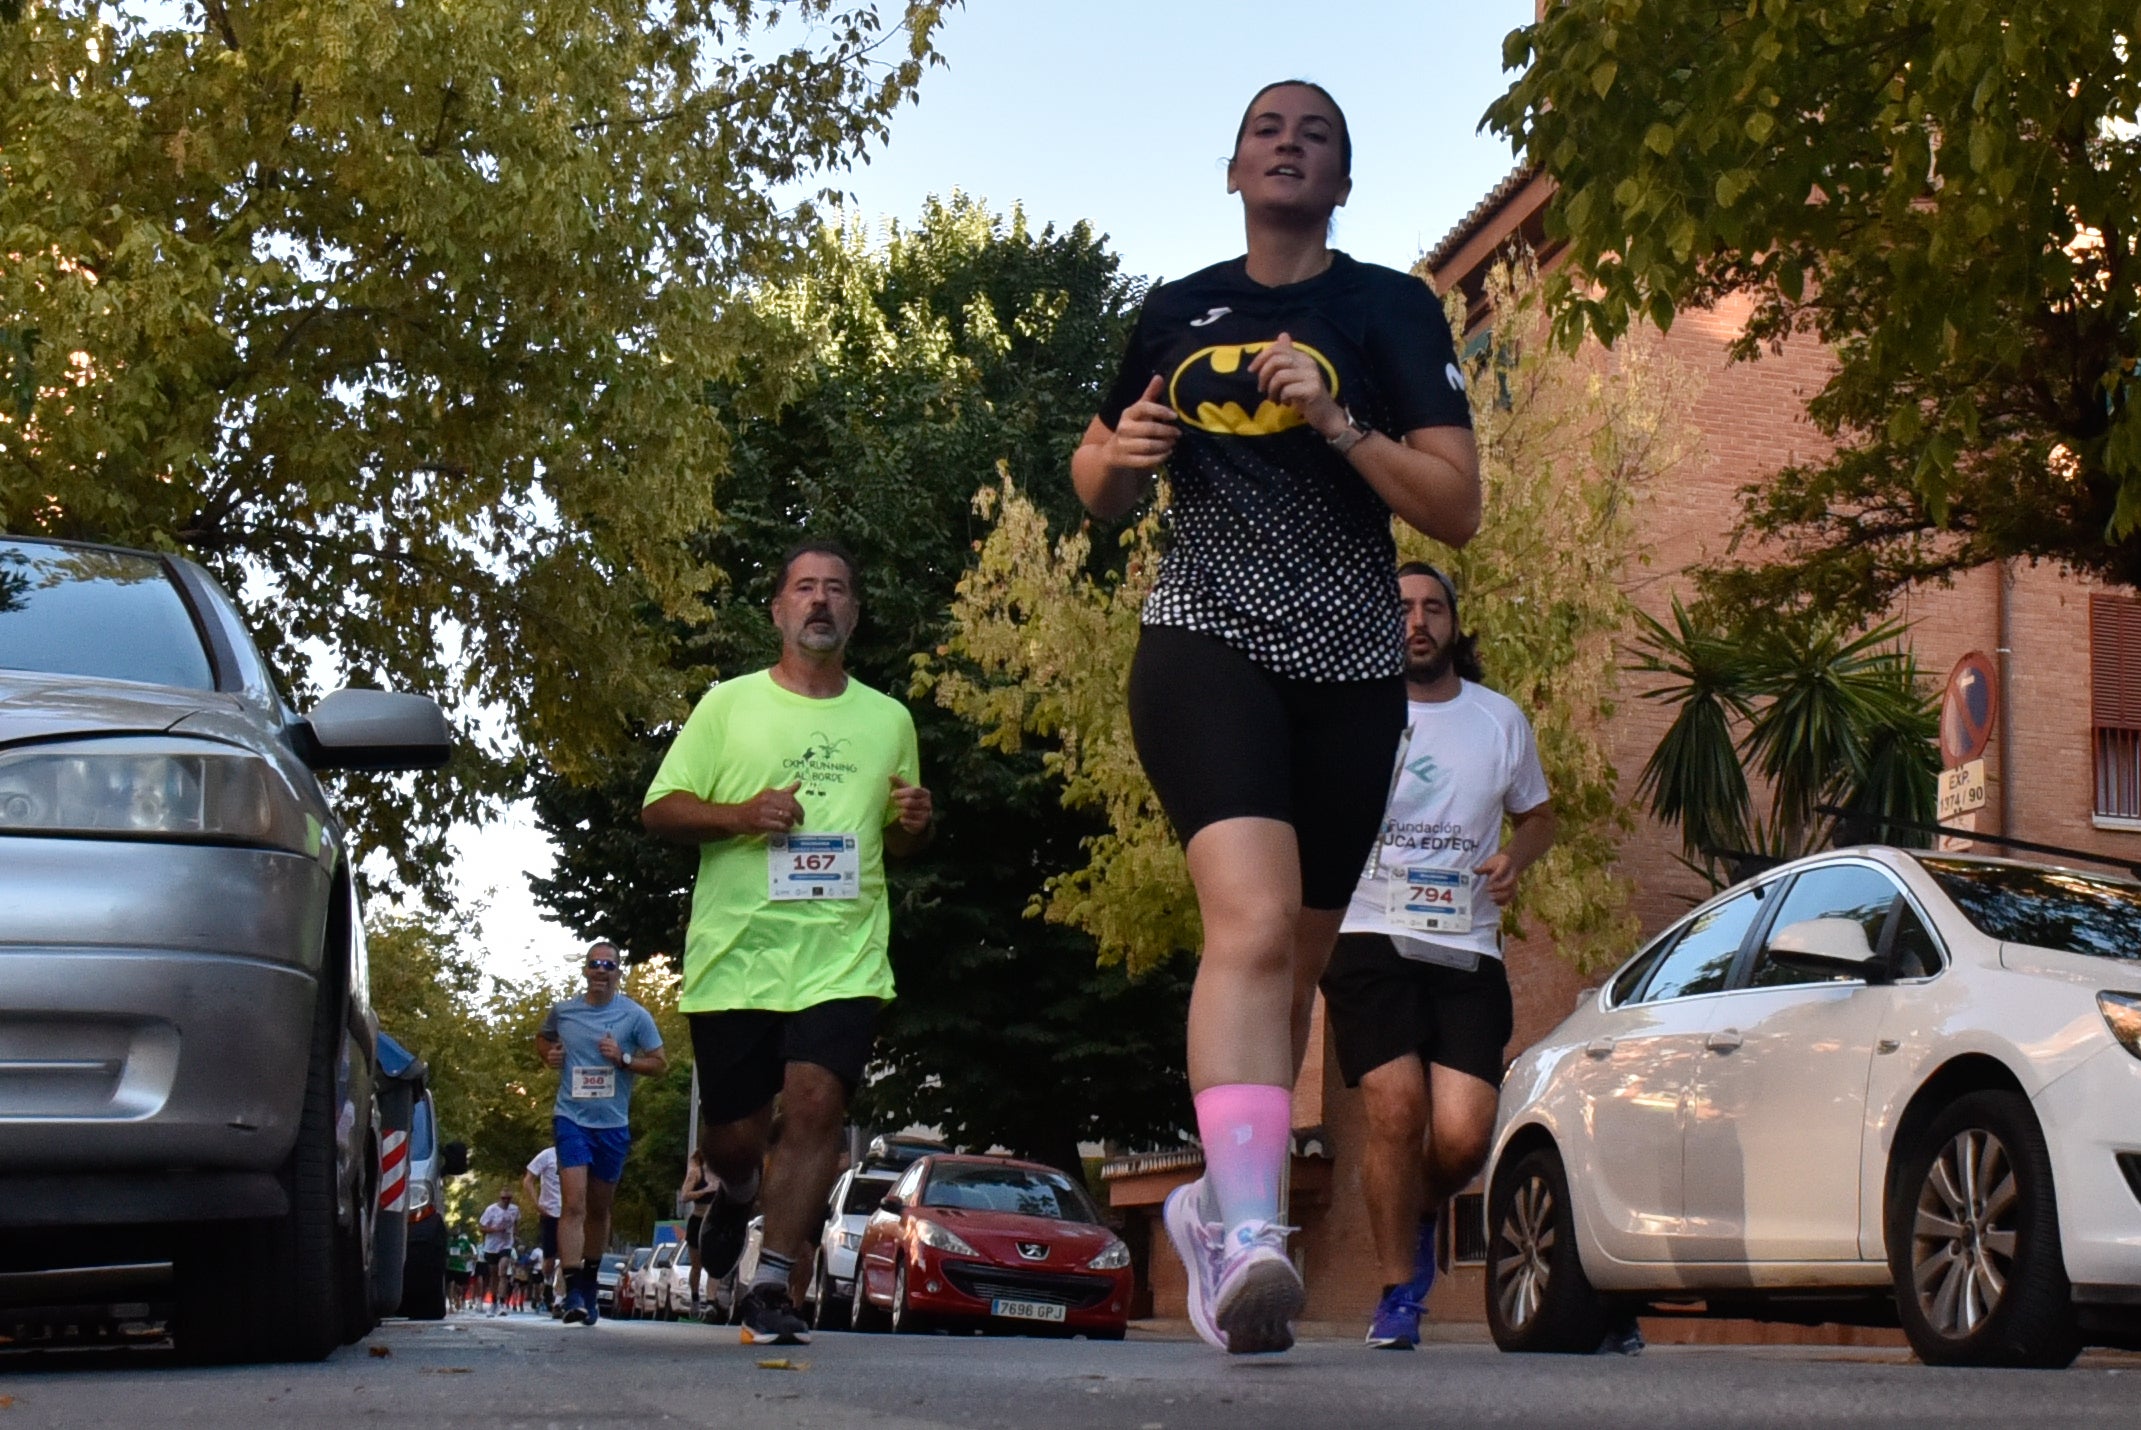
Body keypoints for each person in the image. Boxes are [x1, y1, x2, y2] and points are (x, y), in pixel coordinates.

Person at [1072, 80, 1480, 1356]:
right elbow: (1092, 483)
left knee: (1292, 963)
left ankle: (1207, 1199)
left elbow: (1454, 506)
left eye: (1314, 133)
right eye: (1266, 129)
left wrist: (1338, 419)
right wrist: (1123, 457)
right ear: (1234, 169)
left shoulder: (1388, 308)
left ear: (1343, 181)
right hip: (1206, 629)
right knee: (1245, 922)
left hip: (1349, 655)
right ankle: (1252, 1228)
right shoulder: (1171, 309)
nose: (1287, 143)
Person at [642, 540, 933, 1347]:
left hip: (842, 949)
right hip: (738, 951)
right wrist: (740, 815)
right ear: (777, 610)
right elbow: (659, 808)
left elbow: (897, 838)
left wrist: (914, 826)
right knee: (737, 1136)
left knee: (815, 1106)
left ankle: (773, 1284)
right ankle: (734, 1195)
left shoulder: (888, 719)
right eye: (804, 588)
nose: (820, 602)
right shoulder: (728, 706)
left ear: (854, 614)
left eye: (836, 590)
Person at [1321, 564, 1553, 1350]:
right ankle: (1396, 1294)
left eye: (1432, 609)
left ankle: (1418, 1211)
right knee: (1395, 1109)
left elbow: (1538, 817)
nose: (1417, 622)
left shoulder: (1498, 720)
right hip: (1366, 928)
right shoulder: (1349, 711)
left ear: (1454, 624)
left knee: (1461, 1136)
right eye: (1401, 610)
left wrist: (1517, 859)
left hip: (1465, 938)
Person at [536, 942, 669, 1325]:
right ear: (585, 970)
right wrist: (549, 1056)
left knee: (598, 1208)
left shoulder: (634, 1015)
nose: (600, 971)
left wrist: (623, 1059)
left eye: (608, 965)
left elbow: (660, 1063)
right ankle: (574, 1289)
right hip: (571, 1119)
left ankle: (590, 1286)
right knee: (573, 1203)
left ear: (617, 973)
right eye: (594, 964)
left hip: (612, 1125)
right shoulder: (565, 1011)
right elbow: (543, 1038)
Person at [678, 1150, 719, 1314]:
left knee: (714, 1264)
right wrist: (705, 1190)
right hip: (698, 1221)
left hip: (715, 1223)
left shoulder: (723, 1175)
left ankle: (711, 1302)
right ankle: (695, 1297)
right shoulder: (696, 1173)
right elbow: (684, 1196)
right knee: (697, 1266)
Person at [523, 1144, 563, 1311]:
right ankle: (547, 1281)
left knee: (568, 1257)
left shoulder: (578, 1153)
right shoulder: (547, 1155)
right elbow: (528, 1180)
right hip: (550, 1212)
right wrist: (537, 1204)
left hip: (570, 1214)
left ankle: (559, 1299)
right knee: (549, 1260)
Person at [477, 1187, 520, 1316]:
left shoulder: (515, 1209)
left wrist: (516, 1234)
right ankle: (493, 1302)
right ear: (500, 1198)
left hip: (506, 1245)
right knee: (493, 1275)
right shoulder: (491, 1210)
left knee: (503, 1271)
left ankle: (502, 1303)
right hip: (491, 1246)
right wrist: (496, 1230)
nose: (506, 1201)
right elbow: (481, 1227)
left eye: (508, 1198)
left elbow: (516, 1223)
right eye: (503, 1198)